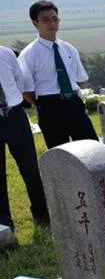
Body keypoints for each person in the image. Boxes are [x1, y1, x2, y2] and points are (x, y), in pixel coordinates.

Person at [18, 0, 98, 149]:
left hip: (73, 103)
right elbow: (26, 89)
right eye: (46, 20)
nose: (52, 24)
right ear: (35, 24)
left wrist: (70, 96)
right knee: (60, 152)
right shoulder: (29, 54)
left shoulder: (68, 49)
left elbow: (80, 79)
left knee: (91, 148)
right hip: (49, 107)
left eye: (55, 19)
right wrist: (42, 104)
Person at [0, 45, 49, 232]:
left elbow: (18, 80)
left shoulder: (5, 53)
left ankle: (42, 213)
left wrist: (11, 102)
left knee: (30, 167)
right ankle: (4, 223)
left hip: (14, 115)